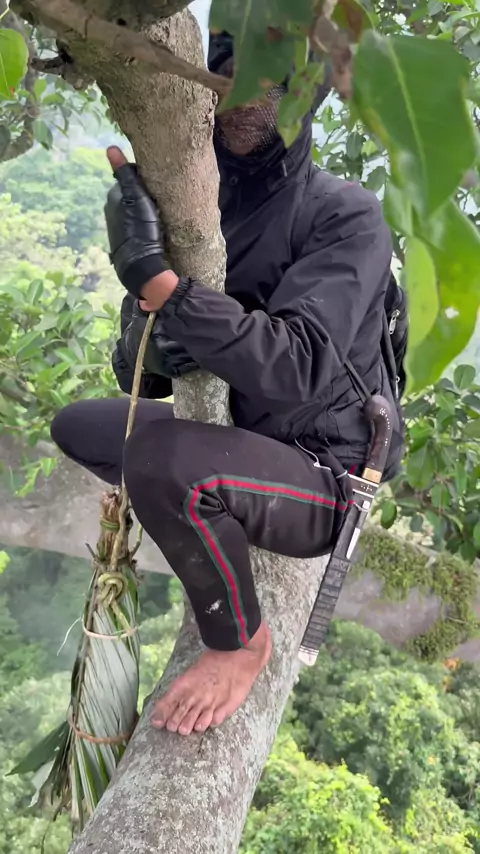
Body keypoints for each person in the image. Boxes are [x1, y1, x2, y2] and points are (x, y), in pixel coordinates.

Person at [51, 32, 404, 737]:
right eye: (227, 74)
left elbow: (299, 369)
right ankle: (214, 498)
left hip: (324, 467)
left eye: (271, 81)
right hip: (241, 434)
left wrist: (166, 289)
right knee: (81, 427)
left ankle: (240, 642)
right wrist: (157, 331)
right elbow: (135, 372)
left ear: (307, 97)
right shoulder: (195, 207)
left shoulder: (346, 214)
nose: (243, 95)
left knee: (162, 463)